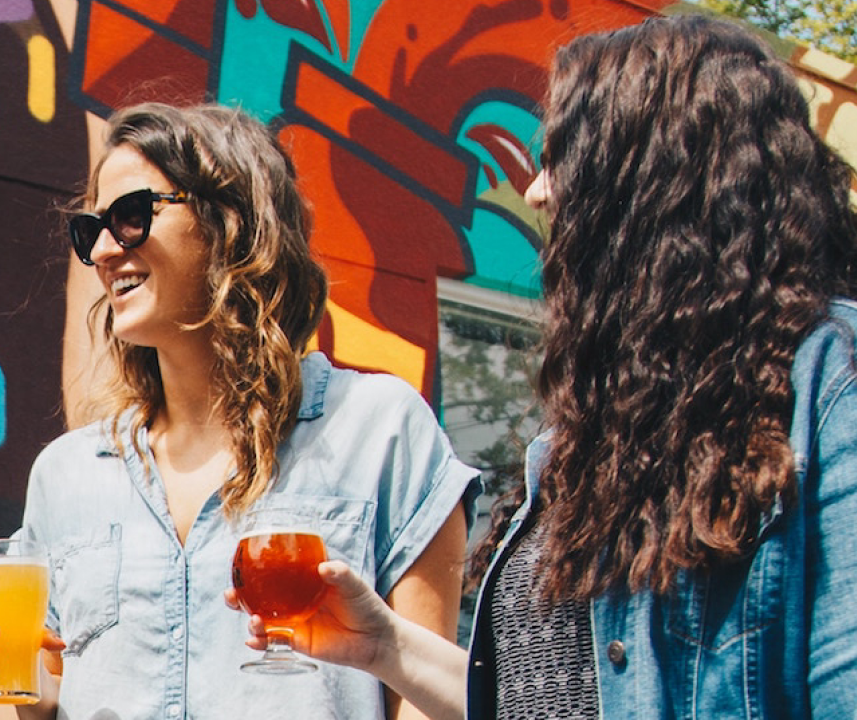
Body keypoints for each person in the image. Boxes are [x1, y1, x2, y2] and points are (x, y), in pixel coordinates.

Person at [228, 14, 857, 718]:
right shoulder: (592, 439)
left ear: (656, 180)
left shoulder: (826, 385)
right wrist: (379, 645)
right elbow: (547, 699)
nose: (536, 192)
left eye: (562, 157)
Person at [0, 103, 477, 720]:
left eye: (130, 216)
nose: (104, 252)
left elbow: (430, 705)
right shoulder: (66, 475)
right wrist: (28, 702)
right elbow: (44, 698)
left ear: (230, 221)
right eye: (92, 231)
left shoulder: (380, 431)